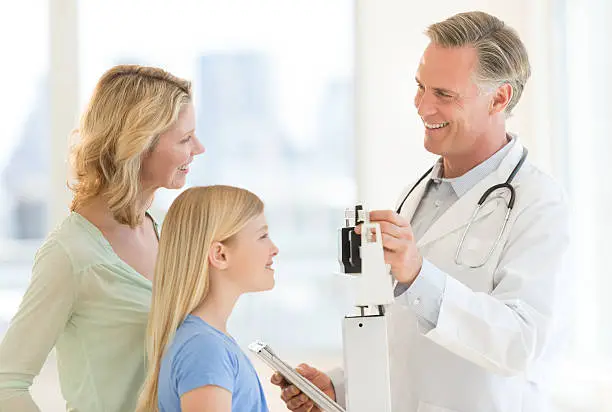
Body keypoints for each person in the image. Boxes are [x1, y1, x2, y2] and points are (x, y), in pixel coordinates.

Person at [273, 11, 570, 412]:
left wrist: (418, 276)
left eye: (444, 95)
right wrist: (340, 386)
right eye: (420, 87)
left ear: (498, 98)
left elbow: (521, 343)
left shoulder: (539, 203)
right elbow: (405, 336)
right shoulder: (417, 195)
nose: (423, 107)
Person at [0, 65, 205, 411]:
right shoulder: (70, 254)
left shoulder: (168, 231)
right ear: (140, 143)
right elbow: (7, 382)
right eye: (185, 139)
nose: (198, 148)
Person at [135, 185, 278, 412]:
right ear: (220, 255)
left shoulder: (207, 342)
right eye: (263, 236)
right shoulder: (205, 349)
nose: (274, 249)